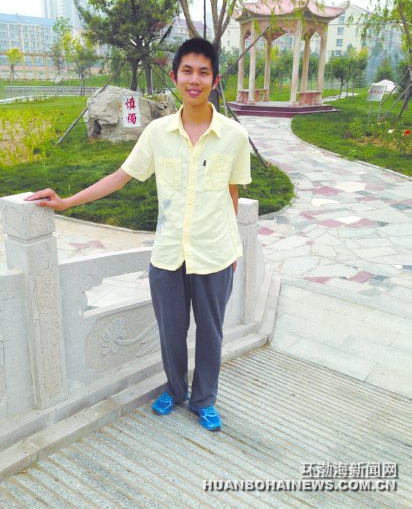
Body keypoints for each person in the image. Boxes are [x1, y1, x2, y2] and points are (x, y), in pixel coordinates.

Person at [25, 38, 251, 431]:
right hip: (168, 254)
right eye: (187, 71)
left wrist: (233, 247)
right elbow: (120, 177)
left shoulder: (234, 136)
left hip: (215, 253)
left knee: (211, 334)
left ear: (214, 80)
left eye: (203, 72)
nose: (194, 80)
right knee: (171, 331)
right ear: (175, 76)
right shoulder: (158, 133)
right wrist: (67, 202)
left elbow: (231, 193)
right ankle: (176, 390)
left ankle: (204, 400)